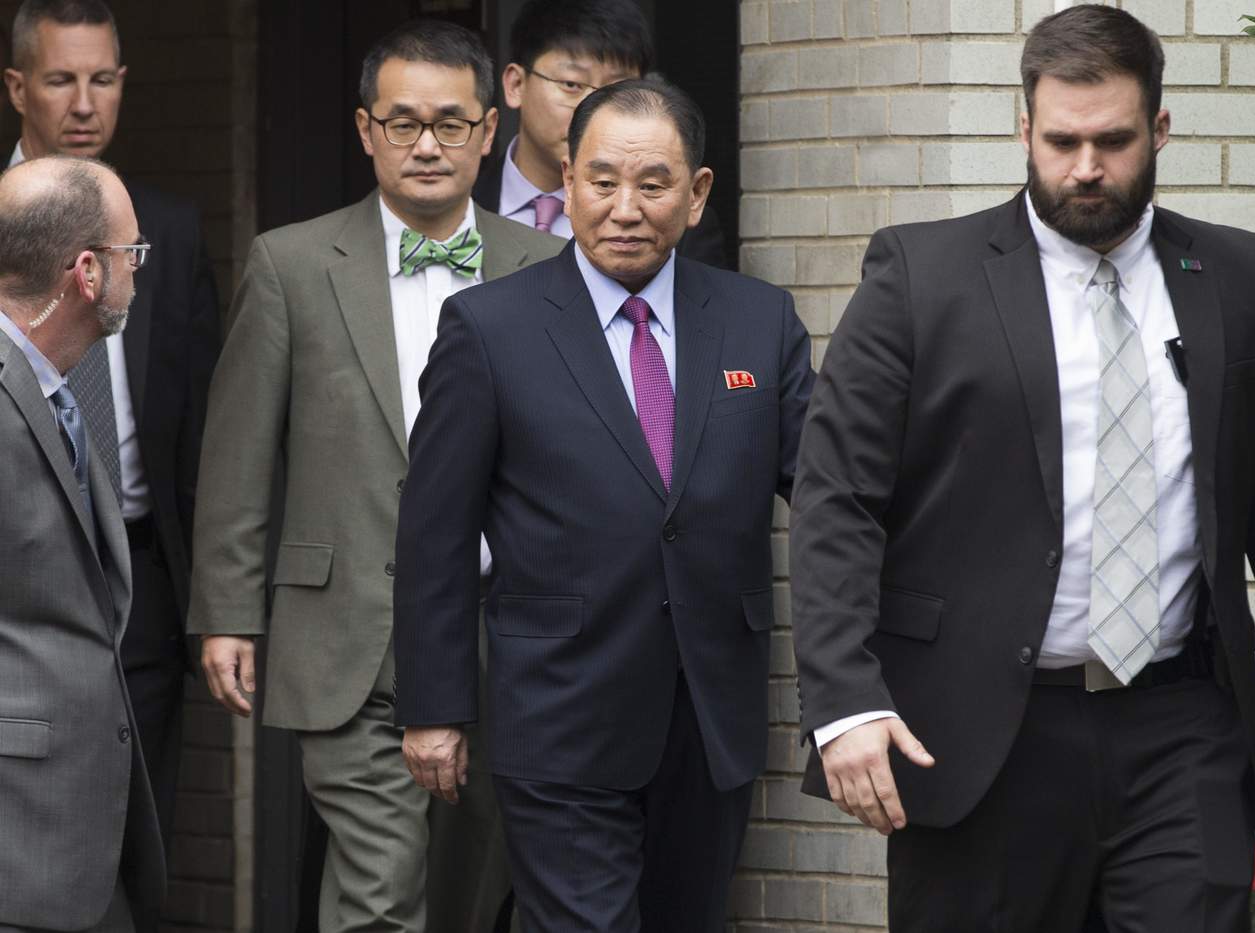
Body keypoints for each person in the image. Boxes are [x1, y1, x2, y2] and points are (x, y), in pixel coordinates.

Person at [789, 6, 1255, 932]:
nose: (1086, 168)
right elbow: (837, 500)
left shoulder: (1233, 275)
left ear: (1160, 128)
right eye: (1062, 141)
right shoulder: (922, 276)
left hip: (1181, 723)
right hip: (982, 732)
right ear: (1024, 128)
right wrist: (845, 699)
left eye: (1113, 140)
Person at [392, 77, 813, 933]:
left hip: (710, 714)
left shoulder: (759, 320)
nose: (626, 208)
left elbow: (827, 491)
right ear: (568, 183)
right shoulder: (489, 327)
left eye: (653, 184)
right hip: (560, 714)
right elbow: (435, 533)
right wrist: (434, 706)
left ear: (696, 193)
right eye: (603, 181)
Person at [187, 19, 560, 933]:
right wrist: (228, 609)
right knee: (382, 891)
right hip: (348, 627)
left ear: (489, 131)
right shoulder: (291, 263)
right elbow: (238, 451)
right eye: (402, 123)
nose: (426, 144)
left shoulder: (548, 267)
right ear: (365, 130)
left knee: (476, 891)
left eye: (449, 122)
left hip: (505, 631)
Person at [2, 0, 221, 850]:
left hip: (139, 571)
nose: (85, 104)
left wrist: (214, 602)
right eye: (61, 79)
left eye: (103, 80)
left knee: (139, 836)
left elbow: (201, 428)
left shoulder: (166, 230)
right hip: (16, 575)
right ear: (18, 87)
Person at [0, 155, 163, 932]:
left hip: (74, 834)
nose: (139, 269)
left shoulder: (53, 388)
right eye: (133, 252)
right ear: (88, 273)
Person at [473, 0, 729, 267]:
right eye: (571, 84)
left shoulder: (680, 222)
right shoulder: (461, 201)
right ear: (516, 84)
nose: (592, 110)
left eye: (615, 90)